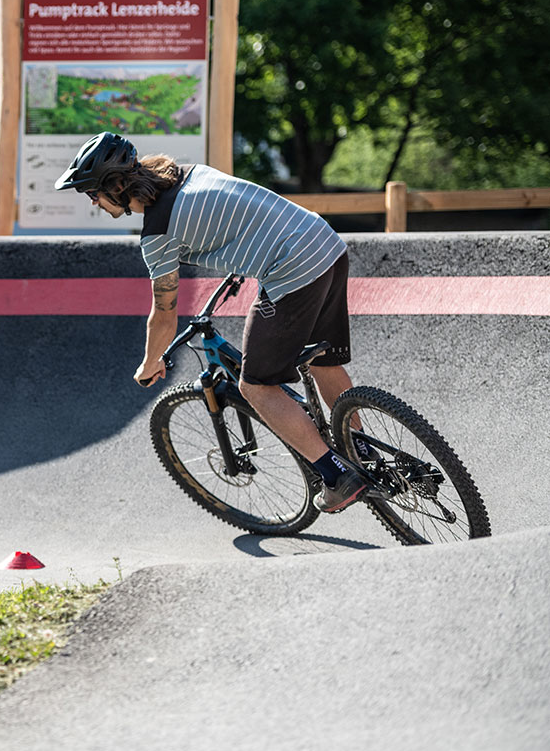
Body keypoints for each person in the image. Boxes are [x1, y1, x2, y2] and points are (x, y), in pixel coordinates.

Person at [55, 131, 377, 514]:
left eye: (93, 192)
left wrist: (150, 361)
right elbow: (238, 219)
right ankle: (364, 450)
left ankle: (338, 475)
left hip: (293, 269)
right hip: (324, 243)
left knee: (257, 387)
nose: (92, 201)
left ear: (118, 185)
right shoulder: (186, 173)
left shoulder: (157, 232)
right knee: (323, 361)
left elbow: (164, 312)